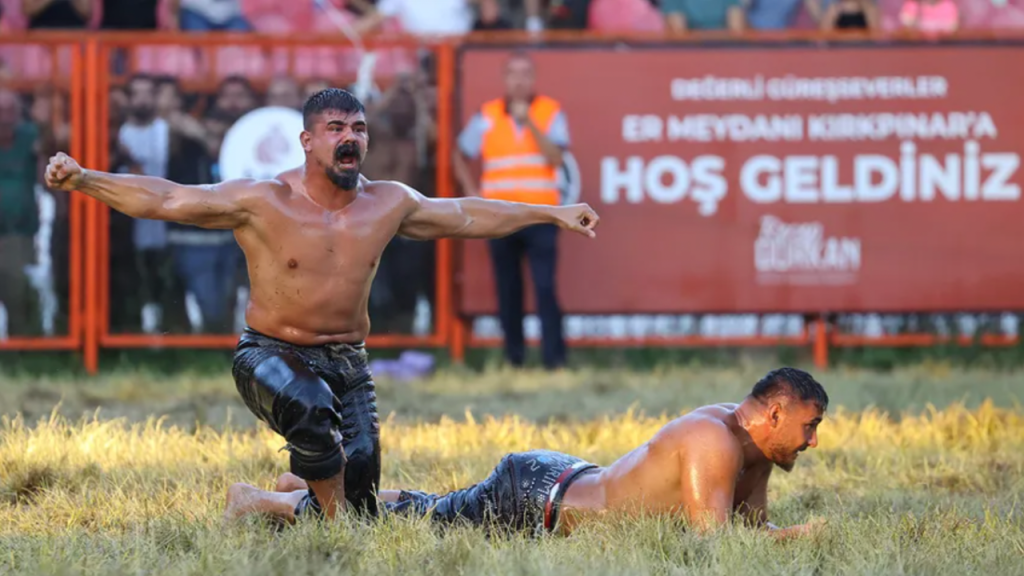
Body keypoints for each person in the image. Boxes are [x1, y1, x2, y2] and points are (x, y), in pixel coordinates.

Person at [43, 88, 600, 521]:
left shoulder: (388, 203)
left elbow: (465, 214)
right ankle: (340, 539)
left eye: (357, 128)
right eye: (335, 129)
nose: (349, 137)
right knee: (314, 422)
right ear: (307, 141)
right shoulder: (264, 200)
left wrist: (549, 212)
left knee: (359, 497)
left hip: (349, 363)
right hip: (268, 354)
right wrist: (87, 179)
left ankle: (266, 499)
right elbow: (167, 198)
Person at [224, 367, 828, 540]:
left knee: (432, 507)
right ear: (774, 412)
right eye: (809, 425)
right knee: (404, 525)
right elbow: (714, 545)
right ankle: (256, 502)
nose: (813, 440)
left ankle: (296, 489)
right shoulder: (712, 440)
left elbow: (751, 526)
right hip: (536, 501)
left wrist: (782, 532)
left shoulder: (752, 446)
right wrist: (800, 536)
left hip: (562, 479)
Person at [453, 51, 571, 371]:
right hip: (500, 216)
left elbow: (556, 158)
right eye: (513, 74)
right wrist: (471, 191)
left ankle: (554, 360)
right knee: (508, 288)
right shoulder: (489, 114)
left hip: (541, 214)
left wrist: (528, 122)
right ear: (504, 79)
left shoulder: (549, 111)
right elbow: (460, 152)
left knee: (545, 287)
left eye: (525, 74)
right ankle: (514, 358)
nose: (519, 80)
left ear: (533, 78)